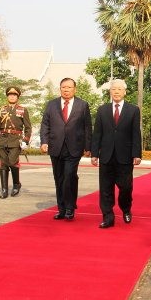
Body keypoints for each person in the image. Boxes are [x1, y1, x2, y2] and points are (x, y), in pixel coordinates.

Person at [91, 79, 142, 229]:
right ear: (110, 92)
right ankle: (108, 217)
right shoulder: (102, 110)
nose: (117, 92)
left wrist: (136, 154)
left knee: (125, 187)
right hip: (106, 155)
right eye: (114, 89)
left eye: (120, 89)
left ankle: (126, 208)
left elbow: (135, 134)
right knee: (105, 188)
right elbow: (97, 133)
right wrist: (95, 153)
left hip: (125, 156)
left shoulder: (133, 110)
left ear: (125, 92)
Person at [40, 78, 92, 221]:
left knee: (69, 176)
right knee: (59, 178)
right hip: (56, 147)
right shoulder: (51, 105)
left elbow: (87, 127)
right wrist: (44, 142)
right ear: (60, 88)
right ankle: (61, 209)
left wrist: (88, 146)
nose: (66, 90)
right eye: (64, 87)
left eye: (69, 87)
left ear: (75, 89)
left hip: (74, 147)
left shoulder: (82, 105)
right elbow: (45, 124)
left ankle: (70, 208)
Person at [0, 86, 32, 199]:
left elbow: (28, 128)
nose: (12, 96)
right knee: (3, 164)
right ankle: (4, 189)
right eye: (10, 95)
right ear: (7, 96)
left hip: (15, 140)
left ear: (17, 97)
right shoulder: (1, 110)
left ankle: (16, 184)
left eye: (14, 95)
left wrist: (25, 140)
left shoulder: (23, 110)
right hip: (3, 140)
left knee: (13, 162)